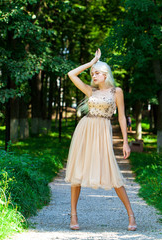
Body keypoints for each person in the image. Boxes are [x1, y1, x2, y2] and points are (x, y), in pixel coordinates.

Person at [65, 49, 137, 231]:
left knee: (112, 171)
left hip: (103, 131)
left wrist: (126, 142)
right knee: (77, 172)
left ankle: (131, 216)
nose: (93, 75)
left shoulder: (116, 91)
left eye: (97, 72)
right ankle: (73, 216)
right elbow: (71, 74)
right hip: (85, 129)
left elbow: (121, 117)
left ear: (105, 75)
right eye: (92, 73)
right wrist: (91, 63)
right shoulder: (91, 91)